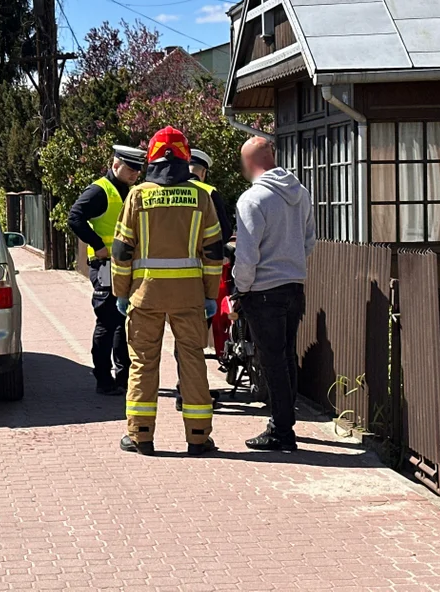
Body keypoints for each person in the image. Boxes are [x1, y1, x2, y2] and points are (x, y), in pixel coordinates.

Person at [111, 126, 224, 456]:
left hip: (144, 296)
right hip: (189, 297)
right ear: (185, 159)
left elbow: (121, 251)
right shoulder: (201, 196)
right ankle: (199, 437)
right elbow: (213, 251)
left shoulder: (138, 196)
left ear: (152, 160)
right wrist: (210, 294)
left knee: (143, 364)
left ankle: (141, 436)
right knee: (192, 363)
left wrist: (121, 292)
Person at [233, 136, 316, 452]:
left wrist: (242, 288)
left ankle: (281, 430)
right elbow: (309, 240)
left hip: (264, 291)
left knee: (273, 361)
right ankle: (286, 420)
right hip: (294, 285)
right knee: (287, 356)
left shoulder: (252, 200)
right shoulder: (300, 193)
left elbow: (247, 255)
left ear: (250, 163)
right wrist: (291, 262)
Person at [68, 144, 146, 395]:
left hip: (126, 267)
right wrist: (98, 245)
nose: (135, 174)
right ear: (115, 165)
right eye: (130, 168)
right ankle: (103, 379)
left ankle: (122, 378)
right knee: (107, 321)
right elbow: (75, 217)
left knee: (121, 322)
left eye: (138, 170)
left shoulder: (131, 191)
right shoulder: (100, 191)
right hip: (105, 267)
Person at [173, 148, 232, 411]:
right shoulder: (207, 193)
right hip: (200, 278)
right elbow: (224, 232)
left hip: (166, 279)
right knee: (195, 339)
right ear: (203, 172)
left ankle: (181, 388)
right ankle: (192, 394)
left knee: (179, 338)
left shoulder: (164, 192)